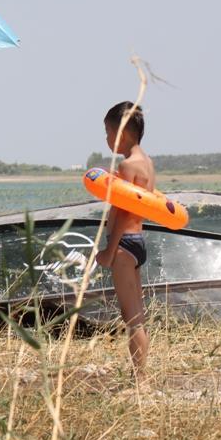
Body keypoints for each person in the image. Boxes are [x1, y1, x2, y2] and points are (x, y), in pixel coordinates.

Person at [95, 102, 155, 383]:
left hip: (124, 245)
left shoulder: (127, 165)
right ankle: (139, 376)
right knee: (134, 312)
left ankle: (139, 380)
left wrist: (109, 250)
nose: (106, 139)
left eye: (108, 132)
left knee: (133, 317)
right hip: (138, 241)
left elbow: (123, 211)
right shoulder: (148, 163)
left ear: (122, 133)